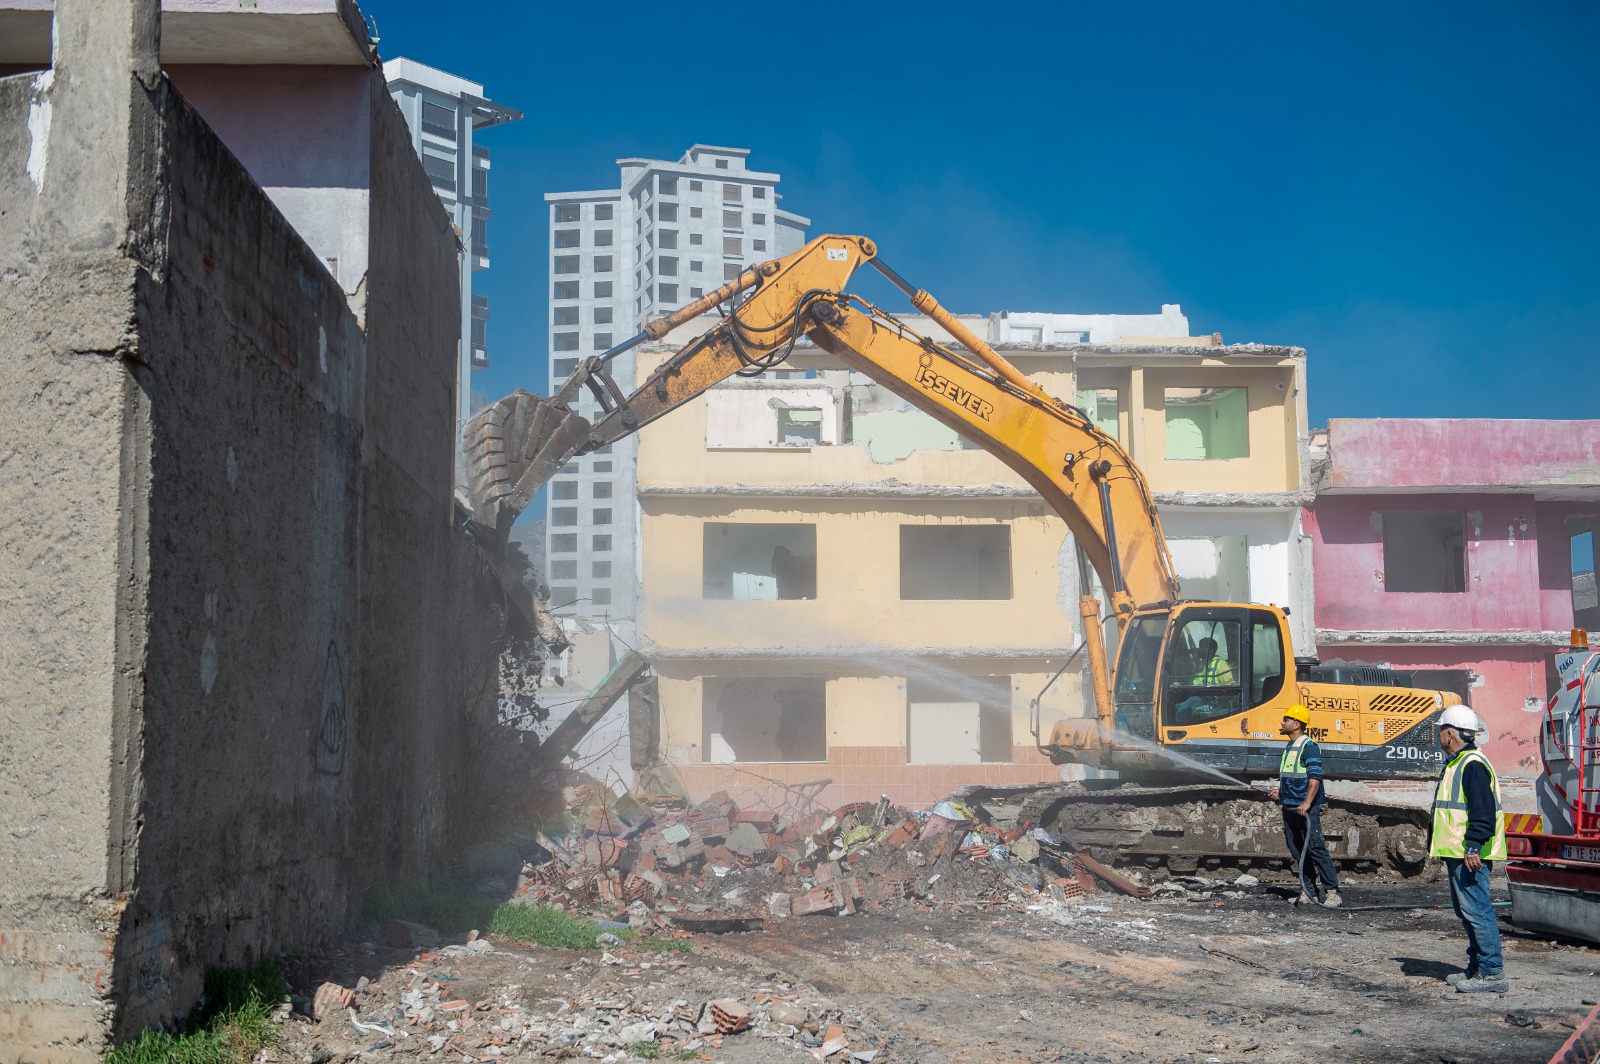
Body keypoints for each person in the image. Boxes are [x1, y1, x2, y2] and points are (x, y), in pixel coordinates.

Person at [1430, 705, 1508, 993]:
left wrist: (1474, 845)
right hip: (1458, 852)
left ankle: (1492, 973)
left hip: (1469, 855)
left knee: (1478, 912)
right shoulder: (1458, 762)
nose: (1439, 735)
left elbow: (1483, 811)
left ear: (1450, 734)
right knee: (1467, 912)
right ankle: (1477, 968)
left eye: (1441, 731)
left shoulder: (1472, 764)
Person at [1269, 703, 1342, 907]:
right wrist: (1280, 791)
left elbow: (1315, 777)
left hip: (1305, 808)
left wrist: (1307, 802)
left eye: (1286, 719)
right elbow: (1292, 775)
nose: (1282, 722)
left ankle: (1333, 892)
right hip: (1290, 806)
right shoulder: (1290, 746)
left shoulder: (1308, 746)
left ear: (1297, 724)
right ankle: (1309, 892)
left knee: (1316, 847)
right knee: (1298, 850)